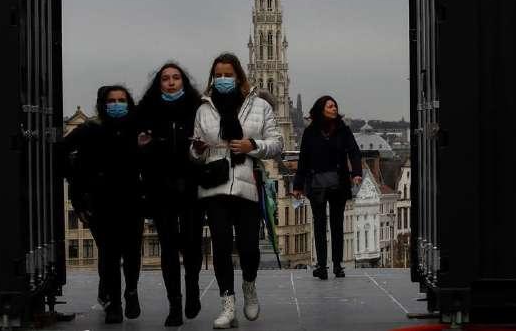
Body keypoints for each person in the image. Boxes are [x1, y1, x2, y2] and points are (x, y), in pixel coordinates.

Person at [190, 53, 283, 329]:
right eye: (218, 75)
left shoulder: (259, 106)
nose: (222, 79)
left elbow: (276, 143)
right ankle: (227, 304)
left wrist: (251, 145)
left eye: (227, 75)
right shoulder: (203, 109)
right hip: (215, 185)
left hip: (247, 184)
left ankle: (249, 286)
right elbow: (194, 151)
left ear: (238, 76)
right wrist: (196, 149)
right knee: (220, 245)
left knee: (249, 247)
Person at [62, 85, 144, 324]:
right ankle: (114, 304)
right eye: (112, 100)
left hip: (132, 200)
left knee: (132, 253)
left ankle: (131, 291)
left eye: (122, 100)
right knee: (109, 254)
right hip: (101, 203)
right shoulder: (89, 130)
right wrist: (78, 194)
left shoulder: (137, 130)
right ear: (103, 104)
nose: (117, 105)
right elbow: (62, 153)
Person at [137, 63, 204, 327]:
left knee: (192, 243)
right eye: (165, 78)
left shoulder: (197, 108)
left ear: (183, 81)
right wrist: (144, 147)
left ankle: (193, 288)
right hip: (160, 187)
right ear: (159, 83)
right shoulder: (146, 110)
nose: (171, 82)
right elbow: (137, 149)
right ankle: (174, 304)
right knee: (168, 247)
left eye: (176, 77)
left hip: (191, 186)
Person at [292, 95, 362, 280]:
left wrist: (356, 172)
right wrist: (297, 185)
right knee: (319, 225)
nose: (334, 109)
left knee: (337, 225)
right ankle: (322, 265)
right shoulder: (310, 132)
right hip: (316, 184)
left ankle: (338, 265)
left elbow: (354, 152)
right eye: (330, 106)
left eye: (335, 106)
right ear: (321, 109)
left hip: (339, 183)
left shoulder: (343, 130)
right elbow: (303, 159)